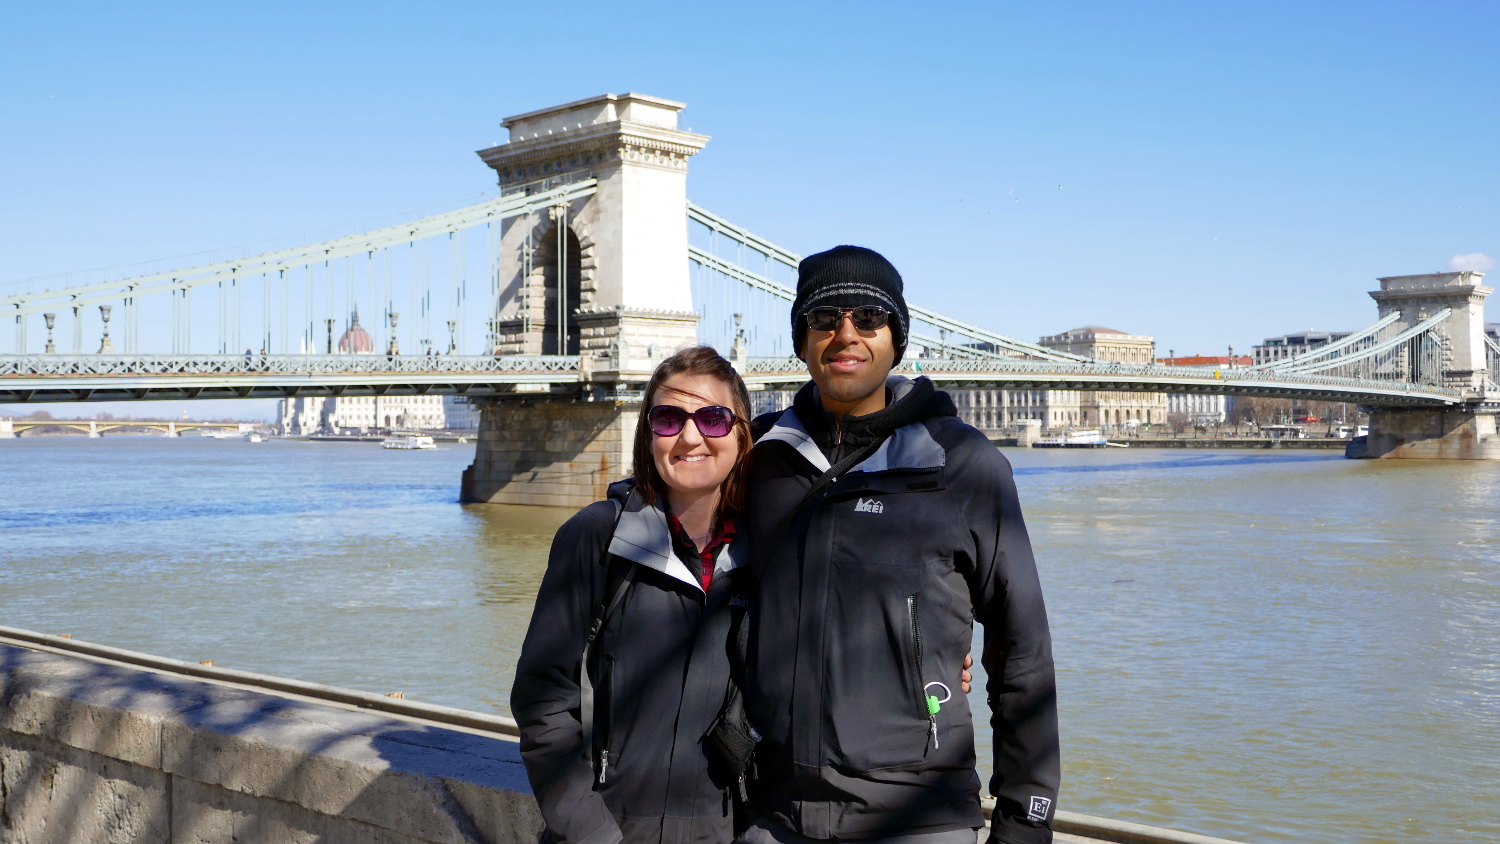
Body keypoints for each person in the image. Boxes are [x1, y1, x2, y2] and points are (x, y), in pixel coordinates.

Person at [738, 246, 1060, 844]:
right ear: (800, 338)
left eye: (868, 317)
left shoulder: (963, 465)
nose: (845, 334)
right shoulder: (756, 461)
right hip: (772, 813)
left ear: (897, 337)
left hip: (918, 817)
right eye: (824, 317)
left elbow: (1022, 654)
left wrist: (1024, 821)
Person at [513, 346, 754, 844]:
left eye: (713, 418)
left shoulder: (773, 552)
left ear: (741, 433)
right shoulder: (596, 539)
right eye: (668, 418)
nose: (690, 436)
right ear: (647, 433)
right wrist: (594, 834)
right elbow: (544, 702)